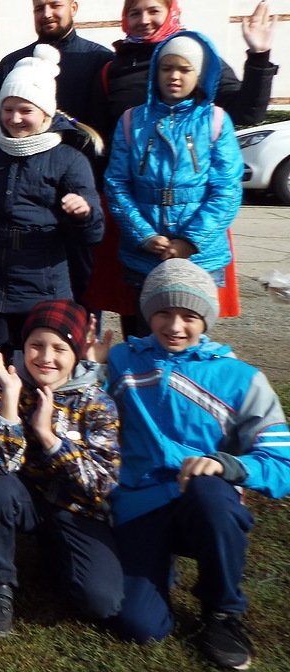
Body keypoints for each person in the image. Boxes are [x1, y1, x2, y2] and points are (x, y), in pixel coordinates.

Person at [104, 259, 290, 670]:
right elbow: (88, 414)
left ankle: (222, 611)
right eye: (163, 312)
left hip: (203, 503)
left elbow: (282, 464)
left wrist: (227, 466)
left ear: (206, 318)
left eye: (189, 316)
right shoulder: (121, 362)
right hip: (139, 502)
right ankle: (156, 565)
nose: (174, 326)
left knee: (212, 494)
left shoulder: (241, 378)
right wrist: (85, 366)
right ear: (147, 313)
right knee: (141, 627)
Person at [0, 44, 103, 494]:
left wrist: (84, 211)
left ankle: (41, 449)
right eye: (9, 109)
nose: (16, 119)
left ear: (46, 110)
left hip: (44, 288)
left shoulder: (69, 159)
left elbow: (94, 229)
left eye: (26, 110)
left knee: (41, 370)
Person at [0, 300, 121, 636]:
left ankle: (56, 551)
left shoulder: (96, 401)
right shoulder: (4, 385)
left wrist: (48, 437)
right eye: (35, 345)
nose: (45, 357)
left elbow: (101, 484)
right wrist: (10, 402)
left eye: (59, 348)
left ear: (77, 353)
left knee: (102, 602)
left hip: (77, 509)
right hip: (24, 497)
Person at [104, 31, 243, 333]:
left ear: (200, 73)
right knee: (143, 338)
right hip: (144, 254)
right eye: (167, 68)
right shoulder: (132, 121)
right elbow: (116, 183)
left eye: (184, 69)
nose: (174, 76)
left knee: (186, 336)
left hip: (198, 256)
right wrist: (143, 235)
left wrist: (189, 241)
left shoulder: (216, 121)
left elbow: (226, 190)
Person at [93, 0, 276, 141]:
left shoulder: (198, 59)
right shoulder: (114, 68)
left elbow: (248, 113)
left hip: (188, 178)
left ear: (172, 13)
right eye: (135, 13)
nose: (144, 20)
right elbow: (104, 132)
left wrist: (258, 57)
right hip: (133, 178)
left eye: (154, 11)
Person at [0, 0, 113, 128]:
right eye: (39, 8)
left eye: (55, 6)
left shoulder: (100, 60)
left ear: (73, 8)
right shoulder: (12, 64)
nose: (47, 14)